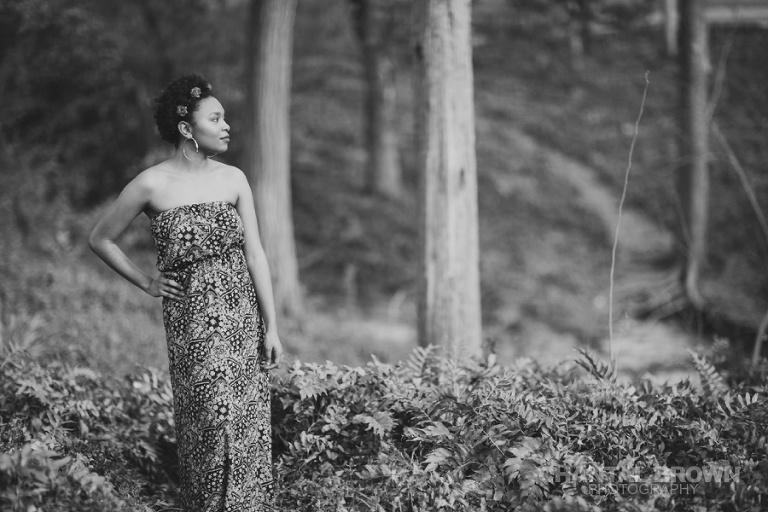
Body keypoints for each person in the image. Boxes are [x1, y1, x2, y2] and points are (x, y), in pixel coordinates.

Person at [89, 73, 282, 511]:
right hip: (191, 319)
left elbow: (256, 254)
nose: (226, 125)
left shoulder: (234, 179)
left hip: (241, 316)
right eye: (215, 118)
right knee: (210, 416)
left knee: (246, 416)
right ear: (186, 128)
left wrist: (271, 326)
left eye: (224, 118)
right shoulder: (151, 184)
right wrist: (146, 282)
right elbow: (101, 238)